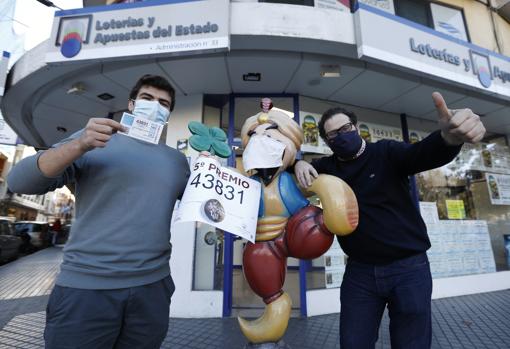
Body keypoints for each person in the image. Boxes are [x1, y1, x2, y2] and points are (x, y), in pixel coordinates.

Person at [7, 74, 190, 349]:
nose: (155, 106)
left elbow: (203, 207)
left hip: (152, 288)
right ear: (131, 104)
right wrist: (79, 144)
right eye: (147, 98)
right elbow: (19, 181)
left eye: (163, 103)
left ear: (168, 114)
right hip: (86, 289)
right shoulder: (92, 141)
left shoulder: (177, 161)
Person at [294, 92, 486, 349]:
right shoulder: (328, 167)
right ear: (328, 142)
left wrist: (447, 139)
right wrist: (297, 163)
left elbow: (421, 154)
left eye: (346, 128)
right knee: (353, 343)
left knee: (412, 343)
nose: (341, 136)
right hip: (359, 274)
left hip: (409, 269)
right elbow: (289, 171)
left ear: (357, 128)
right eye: (333, 135)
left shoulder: (386, 151)